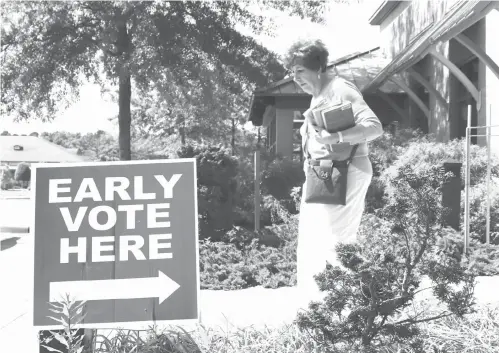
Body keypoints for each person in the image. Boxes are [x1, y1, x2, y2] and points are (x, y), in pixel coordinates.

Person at [284, 39, 383, 303]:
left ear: (318, 67)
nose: (295, 79)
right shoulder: (317, 95)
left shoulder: (340, 89)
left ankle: (344, 309)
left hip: (347, 172)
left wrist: (336, 136)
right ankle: (317, 308)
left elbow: (374, 127)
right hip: (323, 175)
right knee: (313, 242)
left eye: (299, 72)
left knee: (336, 242)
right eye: (292, 73)